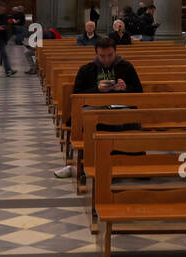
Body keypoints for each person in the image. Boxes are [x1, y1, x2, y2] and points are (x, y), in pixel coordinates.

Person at [54, 37, 143, 177]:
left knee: (131, 118)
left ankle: (132, 164)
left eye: (110, 55)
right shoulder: (86, 70)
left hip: (121, 108)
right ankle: (89, 165)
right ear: (96, 53)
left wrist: (125, 88)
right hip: (94, 110)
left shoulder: (126, 67)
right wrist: (97, 90)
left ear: (115, 52)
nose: (106, 59)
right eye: (102, 56)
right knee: (90, 119)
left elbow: (139, 92)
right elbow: (76, 96)